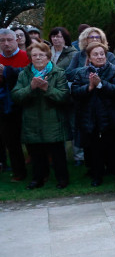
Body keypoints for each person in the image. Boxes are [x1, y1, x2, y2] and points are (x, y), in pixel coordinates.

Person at [11, 41, 70, 188]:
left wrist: (47, 88)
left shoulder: (58, 73)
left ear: (48, 57)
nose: (37, 58)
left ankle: (62, 179)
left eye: (41, 55)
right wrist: (31, 87)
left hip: (53, 120)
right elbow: (16, 96)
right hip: (32, 120)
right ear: (30, 57)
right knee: (36, 153)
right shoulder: (24, 74)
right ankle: (38, 178)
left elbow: (64, 97)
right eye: (34, 55)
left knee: (57, 154)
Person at [70, 41, 115, 186]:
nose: (100, 56)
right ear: (89, 57)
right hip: (90, 117)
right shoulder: (81, 72)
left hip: (110, 117)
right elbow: (75, 92)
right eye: (96, 54)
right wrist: (89, 87)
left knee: (114, 148)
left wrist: (101, 84)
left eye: (102, 54)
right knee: (95, 150)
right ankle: (97, 176)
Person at [0, 28, 31, 180]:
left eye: (9, 40)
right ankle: (19, 172)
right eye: (2, 41)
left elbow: (30, 75)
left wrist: (7, 71)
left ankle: (39, 170)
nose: (6, 43)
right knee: (11, 141)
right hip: (5, 107)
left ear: (17, 40)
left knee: (32, 139)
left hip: (26, 104)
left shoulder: (26, 56)